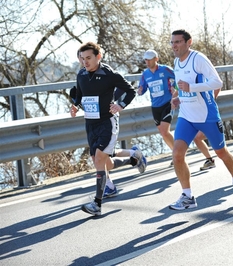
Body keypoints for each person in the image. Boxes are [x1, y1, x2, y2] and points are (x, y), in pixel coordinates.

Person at [168, 29, 233, 210]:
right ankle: (187, 196)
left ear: (189, 42)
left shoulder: (198, 59)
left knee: (222, 153)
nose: (174, 46)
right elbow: (183, 87)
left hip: (206, 116)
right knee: (177, 154)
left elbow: (217, 83)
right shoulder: (176, 62)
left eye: (178, 42)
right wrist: (179, 97)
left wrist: (191, 87)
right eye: (172, 42)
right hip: (186, 116)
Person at [70, 42, 147, 216]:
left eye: (88, 58)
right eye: (82, 59)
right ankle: (134, 157)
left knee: (99, 159)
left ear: (98, 57)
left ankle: (97, 204)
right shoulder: (81, 74)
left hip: (107, 122)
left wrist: (120, 105)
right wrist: (75, 106)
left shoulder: (109, 74)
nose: (85, 62)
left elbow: (130, 91)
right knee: (106, 163)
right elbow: (80, 95)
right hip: (90, 123)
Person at [138, 49, 216, 171]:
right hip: (155, 106)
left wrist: (175, 92)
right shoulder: (145, 74)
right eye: (146, 60)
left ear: (156, 59)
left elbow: (179, 78)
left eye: (149, 59)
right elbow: (141, 89)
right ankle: (179, 155)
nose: (147, 62)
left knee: (165, 131)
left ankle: (179, 156)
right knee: (164, 133)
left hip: (168, 103)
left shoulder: (165, 69)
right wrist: (139, 90)